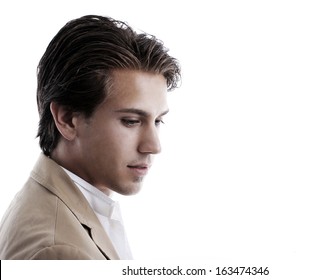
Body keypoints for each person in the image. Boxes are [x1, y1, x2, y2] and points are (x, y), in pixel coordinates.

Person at [0, 15, 181, 260]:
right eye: (131, 121)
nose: (154, 146)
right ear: (66, 119)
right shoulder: (58, 251)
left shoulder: (71, 206)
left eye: (157, 120)